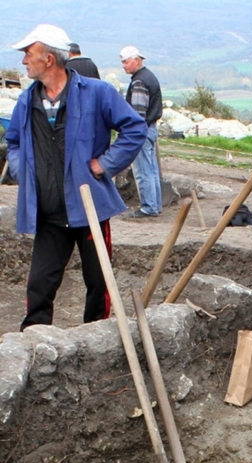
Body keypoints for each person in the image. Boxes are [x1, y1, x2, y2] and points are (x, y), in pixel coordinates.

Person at [6, 24, 147, 331]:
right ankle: (34, 343)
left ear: (49, 59)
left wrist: (107, 163)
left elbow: (135, 128)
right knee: (39, 285)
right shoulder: (27, 101)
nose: (23, 61)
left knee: (99, 282)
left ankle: (96, 339)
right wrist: (22, 170)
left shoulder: (97, 93)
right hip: (49, 213)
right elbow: (14, 142)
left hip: (89, 209)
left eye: (28, 53)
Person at [120, 44, 162, 218]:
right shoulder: (149, 76)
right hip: (151, 128)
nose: (123, 65)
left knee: (143, 171)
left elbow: (138, 113)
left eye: (126, 62)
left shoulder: (139, 82)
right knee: (152, 170)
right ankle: (156, 205)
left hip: (141, 131)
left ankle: (148, 207)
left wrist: (131, 133)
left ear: (136, 60)